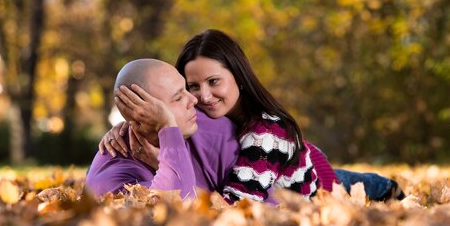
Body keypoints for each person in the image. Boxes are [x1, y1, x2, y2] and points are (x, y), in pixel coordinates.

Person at [105, 30, 403, 202]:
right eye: (192, 86)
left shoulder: (266, 134)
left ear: (239, 76)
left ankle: (391, 187)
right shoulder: (195, 107)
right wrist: (127, 126)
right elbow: (166, 116)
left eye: (214, 81)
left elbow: (240, 205)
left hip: (311, 177)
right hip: (276, 165)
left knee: (366, 186)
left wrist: (160, 162)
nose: (202, 97)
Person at [86, 58, 240, 199]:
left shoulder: (213, 128)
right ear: (141, 113)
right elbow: (177, 202)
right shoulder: (109, 181)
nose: (193, 99)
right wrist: (167, 127)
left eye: (186, 88)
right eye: (178, 97)